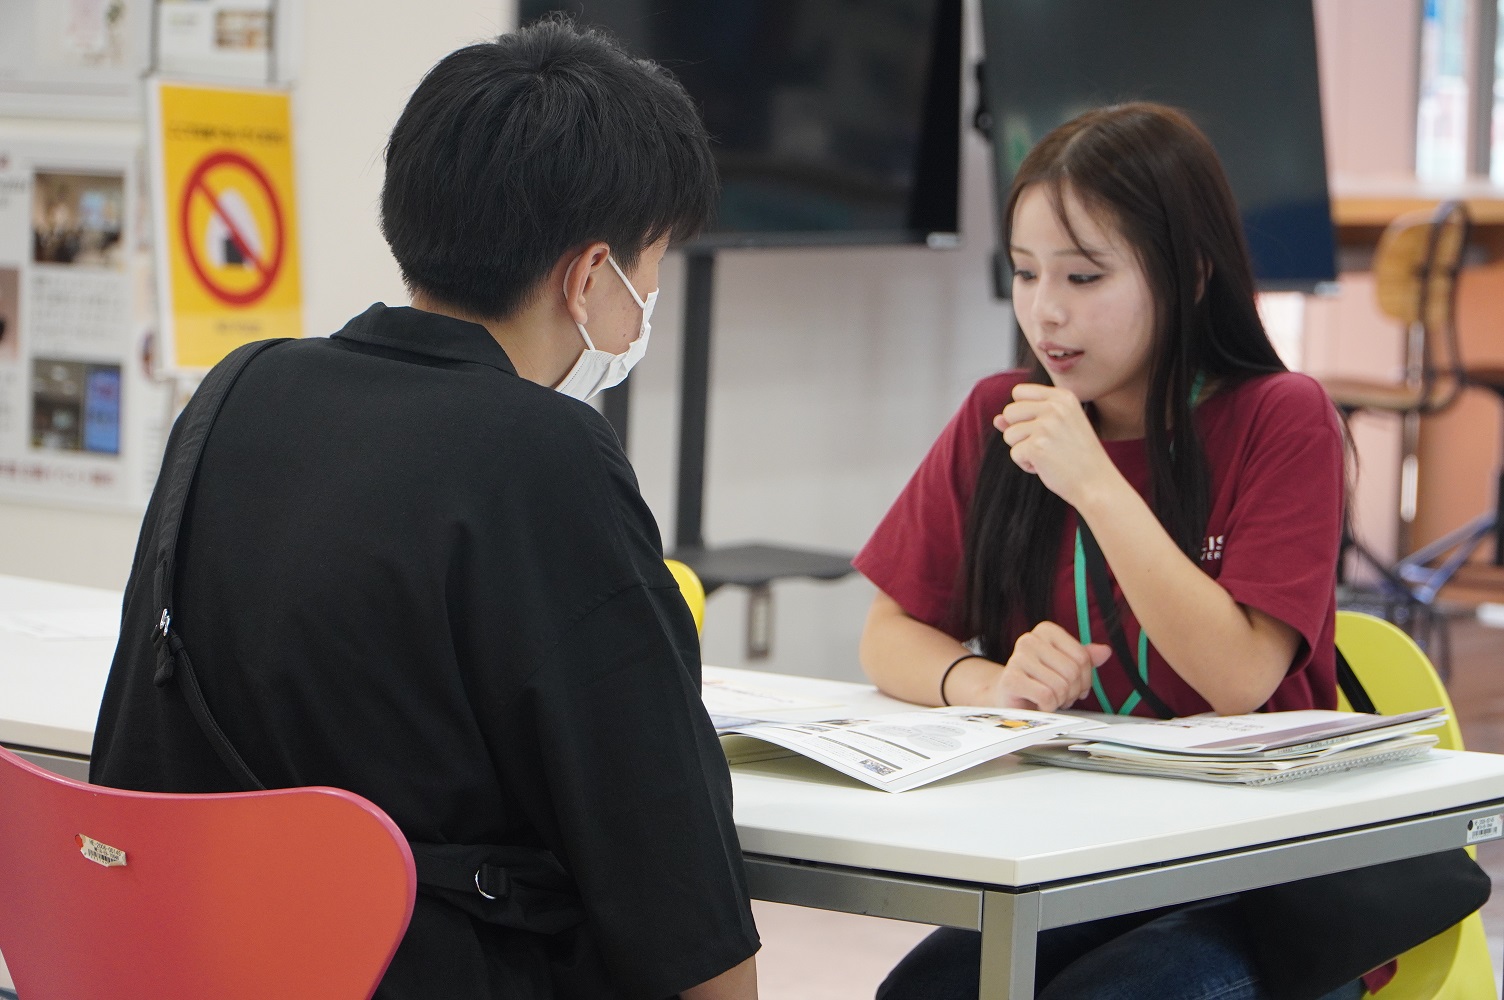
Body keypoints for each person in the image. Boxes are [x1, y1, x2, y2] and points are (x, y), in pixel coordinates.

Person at [91, 18, 759, 1000]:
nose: (650, 296)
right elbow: (672, 876)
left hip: (176, 962)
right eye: (652, 263)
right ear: (589, 277)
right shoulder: (545, 453)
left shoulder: (239, 390)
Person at [854, 103, 1364, 999]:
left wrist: (1094, 483)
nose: (1047, 312)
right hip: (1074, 859)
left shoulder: (1281, 418)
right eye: (1024, 273)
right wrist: (989, 683)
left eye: (1086, 276)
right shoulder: (1002, 414)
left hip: (1258, 882)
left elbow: (1239, 678)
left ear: (1190, 273)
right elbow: (889, 632)